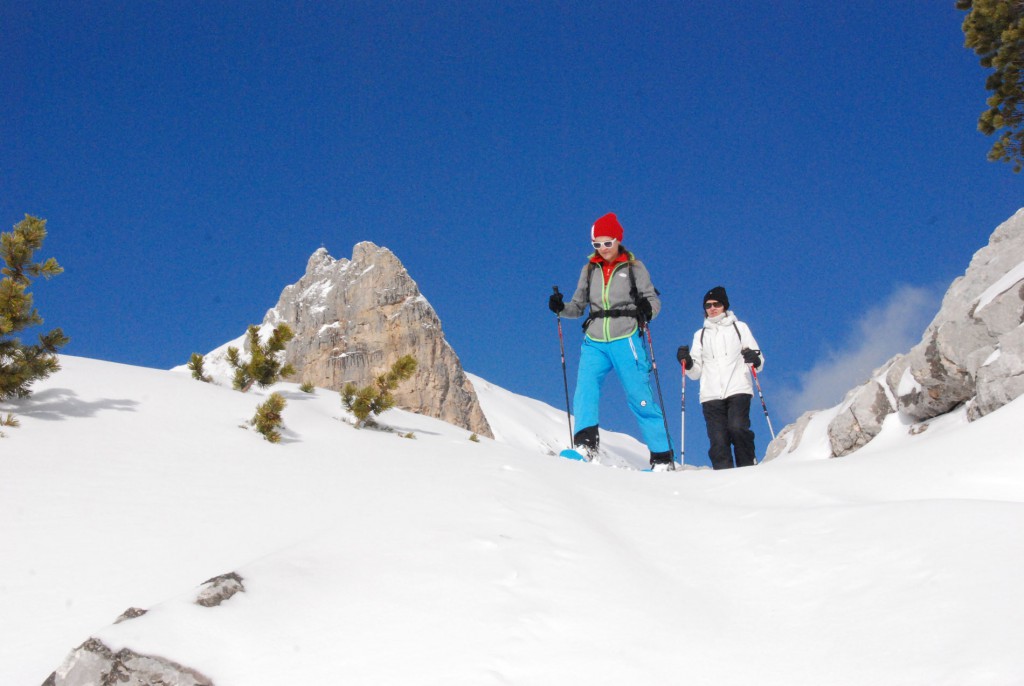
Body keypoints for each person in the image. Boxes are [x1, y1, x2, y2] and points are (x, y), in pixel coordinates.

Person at [548, 212, 674, 470]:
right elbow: (578, 306)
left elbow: (653, 300)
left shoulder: (634, 267)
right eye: (597, 244)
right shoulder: (589, 270)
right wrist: (561, 308)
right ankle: (585, 445)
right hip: (594, 339)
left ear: (618, 240)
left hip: (626, 337)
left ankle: (662, 458)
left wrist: (647, 310)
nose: (603, 248)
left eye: (607, 242)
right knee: (585, 389)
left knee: (639, 395)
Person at [676, 286, 764, 469]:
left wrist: (754, 359)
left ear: (724, 306)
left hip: (738, 387)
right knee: (718, 439)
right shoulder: (700, 335)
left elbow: (758, 359)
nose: (712, 308)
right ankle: (723, 476)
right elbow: (696, 372)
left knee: (737, 428)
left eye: (716, 304)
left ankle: (748, 467)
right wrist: (688, 362)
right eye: (708, 306)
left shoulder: (739, 328)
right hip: (711, 394)